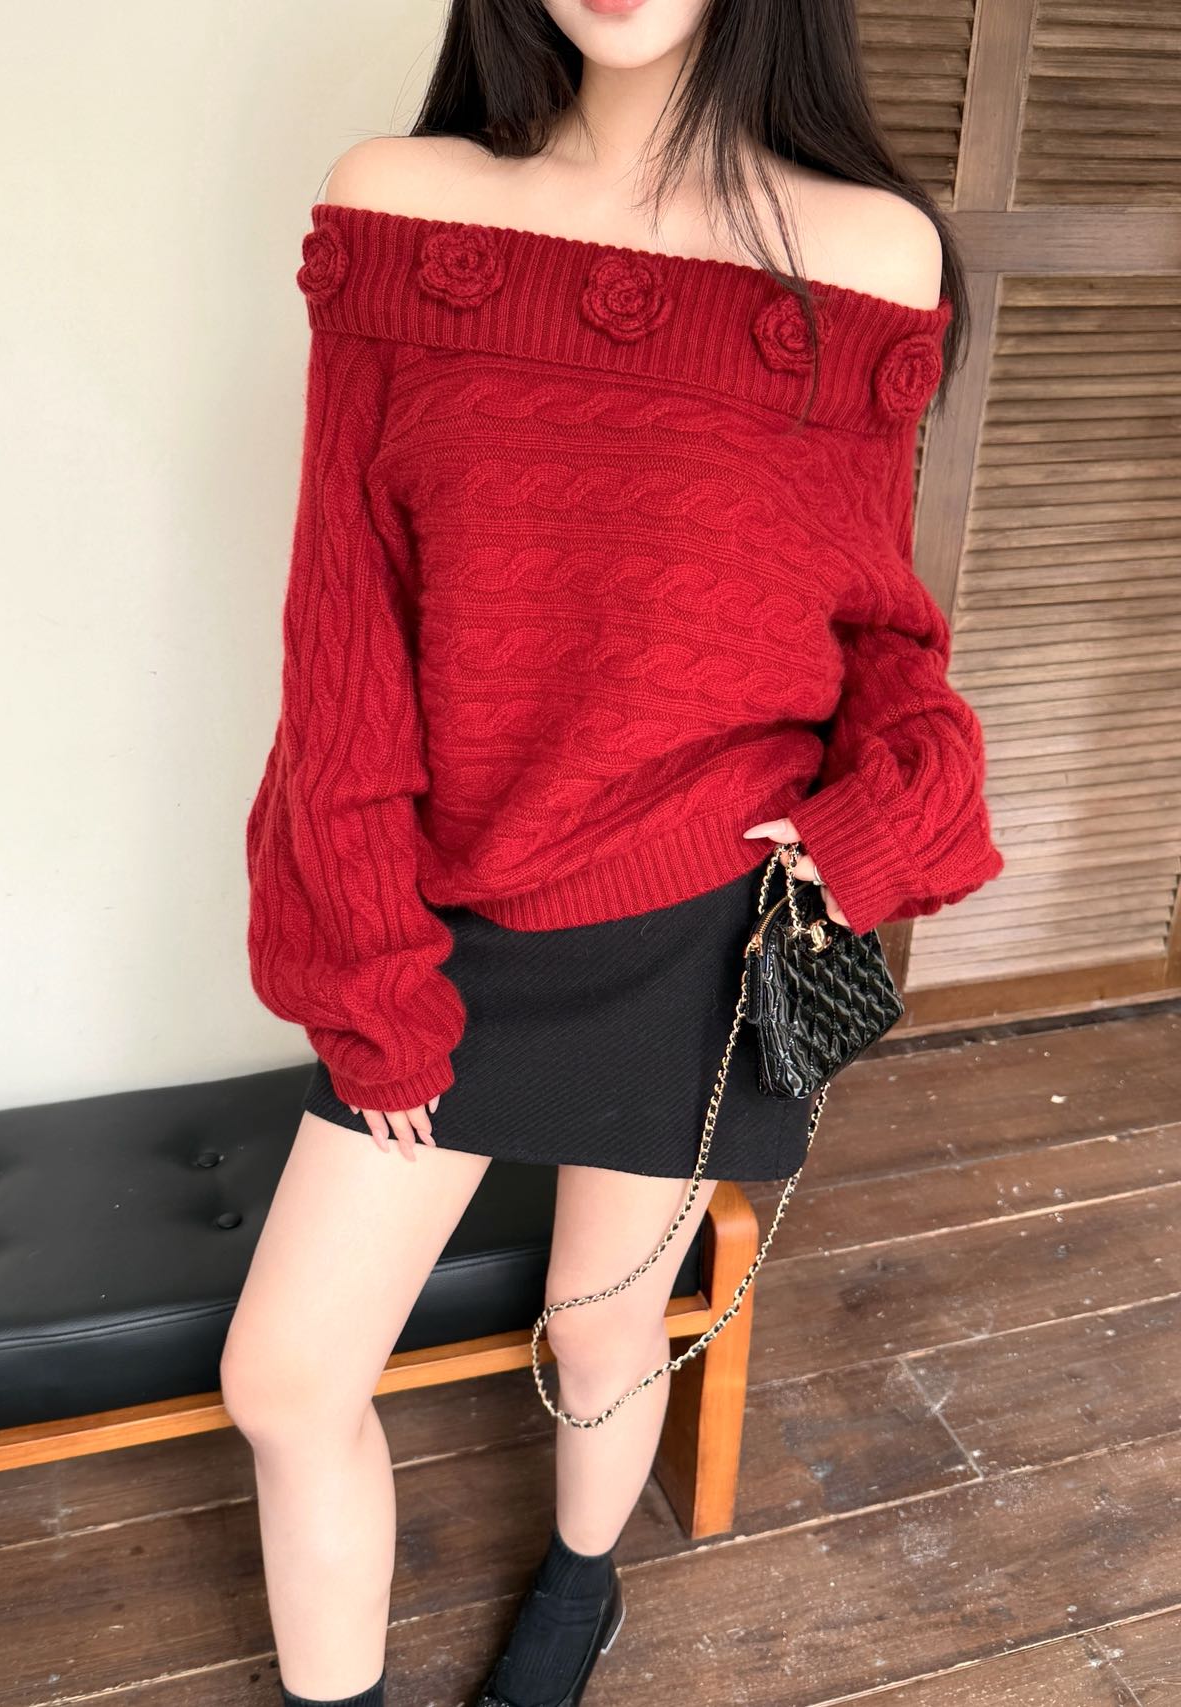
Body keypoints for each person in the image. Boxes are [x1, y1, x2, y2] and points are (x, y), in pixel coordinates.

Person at [224, 2, 1005, 1704]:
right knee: (286, 1379)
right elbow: (343, 630)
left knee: (601, 1321)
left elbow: (876, 621)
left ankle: (580, 1596)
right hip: (442, 907)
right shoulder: (403, 202)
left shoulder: (868, 251)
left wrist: (876, 817)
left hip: (694, 908)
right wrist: (368, 967)